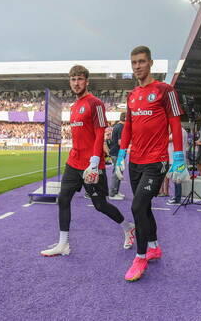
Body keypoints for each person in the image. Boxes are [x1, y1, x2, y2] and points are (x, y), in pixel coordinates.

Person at [41, 65, 135, 257]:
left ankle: (128, 227)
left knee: (100, 205)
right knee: (63, 198)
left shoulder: (95, 103)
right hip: (74, 162)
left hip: (91, 165)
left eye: (80, 79)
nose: (76, 83)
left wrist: (94, 161)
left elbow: (100, 131)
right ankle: (63, 244)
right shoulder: (74, 107)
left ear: (87, 81)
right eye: (73, 79)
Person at [115, 46, 189, 281]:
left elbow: (176, 124)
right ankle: (155, 246)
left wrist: (179, 157)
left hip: (156, 161)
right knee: (144, 208)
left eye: (141, 61)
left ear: (151, 63)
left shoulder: (165, 90)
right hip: (135, 161)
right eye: (134, 62)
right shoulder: (132, 95)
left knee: (137, 207)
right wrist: (120, 154)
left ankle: (141, 257)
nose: (137, 66)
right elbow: (128, 126)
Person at [167, 127, 188, 204]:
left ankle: (177, 198)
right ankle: (176, 196)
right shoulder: (182, 130)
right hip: (177, 158)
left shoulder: (178, 130)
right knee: (176, 179)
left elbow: (168, 140)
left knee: (177, 179)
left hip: (177, 159)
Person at [108, 112, 126, 200]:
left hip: (116, 152)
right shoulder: (121, 127)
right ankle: (112, 193)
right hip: (117, 153)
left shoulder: (116, 126)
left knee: (118, 172)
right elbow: (120, 142)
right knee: (117, 172)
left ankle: (115, 191)